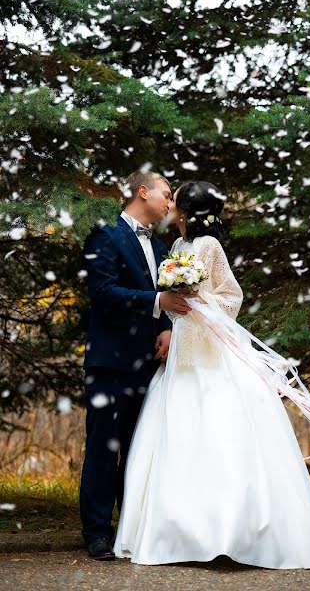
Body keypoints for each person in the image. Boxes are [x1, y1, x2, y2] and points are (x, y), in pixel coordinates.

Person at [113, 180, 310, 569]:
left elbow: (232, 298)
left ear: (188, 211)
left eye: (176, 201)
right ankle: (182, 532)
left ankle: (232, 531)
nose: (171, 205)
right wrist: (175, 309)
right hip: (182, 355)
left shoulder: (209, 247)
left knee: (220, 433)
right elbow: (172, 303)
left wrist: (200, 302)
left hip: (213, 355)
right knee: (177, 433)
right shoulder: (177, 248)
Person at [80, 170, 193, 560]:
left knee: (139, 446)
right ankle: (96, 531)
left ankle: (131, 527)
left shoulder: (162, 248)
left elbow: (167, 297)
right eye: (165, 194)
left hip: (150, 363)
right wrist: (158, 304)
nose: (169, 203)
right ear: (142, 192)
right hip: (110, 361)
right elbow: (103, 292)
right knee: (102, 446)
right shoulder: (104, 233)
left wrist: (166, 328)